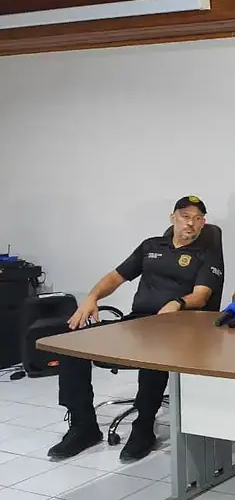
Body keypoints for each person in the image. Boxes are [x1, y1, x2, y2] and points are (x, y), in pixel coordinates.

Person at [48, 196, 224, 462]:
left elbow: (201, 296)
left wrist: (177, 303)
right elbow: (115, 277)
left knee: (156, 349)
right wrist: (92, 298)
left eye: (198, 219)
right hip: (137, 322)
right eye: (186, 216)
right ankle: (83, 425)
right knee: (72, 343)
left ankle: (143, 427)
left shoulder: (207, 255)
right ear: (173, 218)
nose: (191, 223)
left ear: (203, 224)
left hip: (177, 328)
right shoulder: (150, 246)